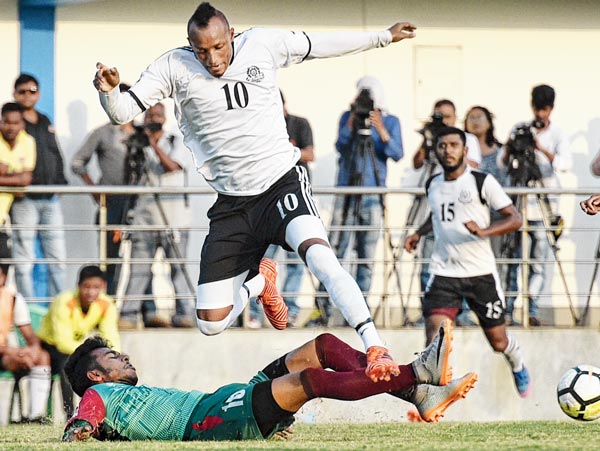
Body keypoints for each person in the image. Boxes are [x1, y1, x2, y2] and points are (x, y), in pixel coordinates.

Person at [93, 2, 419, 382]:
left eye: (219, 47)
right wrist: (109, 91)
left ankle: (375, 345)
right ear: (190, 45)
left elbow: (322, 42)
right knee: (211, 323)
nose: (212, 58)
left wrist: (382, 37)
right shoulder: (174, 67)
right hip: (232, 204)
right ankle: (261, 281)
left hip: (281, 184)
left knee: (321, 258)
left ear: (231, 34)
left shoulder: (263, 43)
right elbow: (121, 111)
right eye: (202, 51)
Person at [61, 321, 477, 442]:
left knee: (325, 345)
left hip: (226, 400)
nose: (125, 356)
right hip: (209, 419)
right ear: (95, 375)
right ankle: (414, 377)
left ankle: (418, 392)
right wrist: (79, 428)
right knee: (308, 380)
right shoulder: (100, 393)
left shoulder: (121, 396)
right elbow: (87, 413)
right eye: (113, 357)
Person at [404, 126, 531, 398]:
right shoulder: (433, 184)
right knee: (434, 341)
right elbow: (438, 216)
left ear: (464, 150)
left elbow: (515, 218)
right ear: (436, 150)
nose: (447, 150)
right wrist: (418, 232)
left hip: (480, 274)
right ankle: (431, 399)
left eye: (453, 145)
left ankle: (517, 361)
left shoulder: (481, 182)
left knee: (498, 342)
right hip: (444, 272)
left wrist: (484, 231)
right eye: (442, 145)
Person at [307, 76, 403, 326]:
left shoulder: (390, 121)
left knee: (366, 255)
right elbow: (340, 145)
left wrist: (380, 129)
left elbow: (396, 153)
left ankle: (360, 312)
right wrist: (352, 119)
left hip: (372, 194)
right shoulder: (346, 117)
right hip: (346, 190)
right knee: (334, 251)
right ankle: (323, 308)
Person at [117, 102, 194, 329]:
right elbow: (130, 175)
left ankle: (184, 314)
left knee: (177, 269)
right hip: (144, 219)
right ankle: (129, 315)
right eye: (150, 115)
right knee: (139, 269)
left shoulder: (176, 141)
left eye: (158, 114)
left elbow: (173, 167)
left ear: (165, 117)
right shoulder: (137, 144)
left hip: (174, 219)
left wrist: (152, 145)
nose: (154, 118)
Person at [500, 84, 572, 326]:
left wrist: (539, 148)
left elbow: (563, 164)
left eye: (545, 109)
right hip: (519, 206)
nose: (541, 115)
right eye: (537, 109)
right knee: (514, 259)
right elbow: (503, 164)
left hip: (543, 206)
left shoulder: (558, 134)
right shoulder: (520, 129)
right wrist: (512, 145)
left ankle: (532, 310)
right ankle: (509, 311)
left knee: (538, 261)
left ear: (551, 108)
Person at [411, 100, 482, 326]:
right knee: (428, 265)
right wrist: (428, 140)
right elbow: (417, 163)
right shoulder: (433, 139)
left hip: (462, 211)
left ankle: (462, 315)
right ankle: (429, 314)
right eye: (440, 116)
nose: (444, 121)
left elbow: (474, 167)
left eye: (448, 117)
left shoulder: (466, 139)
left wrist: (450, 150)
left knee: (463, 265)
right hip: (435, 210)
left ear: (455, 118)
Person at [250, 90, 315, 328]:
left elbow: (309, 154)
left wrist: (284, 151)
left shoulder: (298, 124)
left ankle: (291, 311)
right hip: (266, 201)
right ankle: (257, 313)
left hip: (295, 200)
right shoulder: (260, 126)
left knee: (296, 258)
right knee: (263, 259)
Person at [71, 83, 135, 296]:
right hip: (113, 203)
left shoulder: (142, 134)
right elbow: (77, 163)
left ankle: (142, 307)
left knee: (144, 256)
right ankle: (108, 303)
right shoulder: (102, 133)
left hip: (141, 203)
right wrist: (95, 191)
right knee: (110, 257)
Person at [12, 73, 68, 302]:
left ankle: (60, 308)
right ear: (14, 94)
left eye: (32, 91)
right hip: (25, 199)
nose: (27, 95)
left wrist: (61, 182)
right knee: (24, 258)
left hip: (50, 199)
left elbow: (54, 152)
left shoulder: (44, 120)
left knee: (57, 258)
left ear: (39, 93)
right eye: (22, 91)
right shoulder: (12, 122)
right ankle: (28, 309)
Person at [36, 265, 120, 418]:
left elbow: (111, 336)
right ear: (79, 286)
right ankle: (70, 414)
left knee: (108, 368)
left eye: (96, 287)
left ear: (103, 287)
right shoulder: (64, 301)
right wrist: (91, 352)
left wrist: (112, 358)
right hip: (51, 347)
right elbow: (62, 343)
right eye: (86, 287)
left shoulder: (106, 304)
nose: (91, 292)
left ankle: (105, 414)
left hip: (78, 348)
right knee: (67, 367)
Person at [0, 262, 51, 422]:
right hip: (6, 351)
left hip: (6, 354)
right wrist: (12, 351)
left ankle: (35, 416)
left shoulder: (12, 298)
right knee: (17, 357)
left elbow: (29, 334)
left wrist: (33, 349)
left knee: (42, 357)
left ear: (4, 277)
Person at [0, 102, 37, 257]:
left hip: (10, 208)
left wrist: (5, 173)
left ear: (22, 123)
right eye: (7, 122)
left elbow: (26, 179)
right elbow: (20, 179)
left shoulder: (28, 141)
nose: (11, 127)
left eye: (15, 123)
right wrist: (16, 178)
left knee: (17, 258)